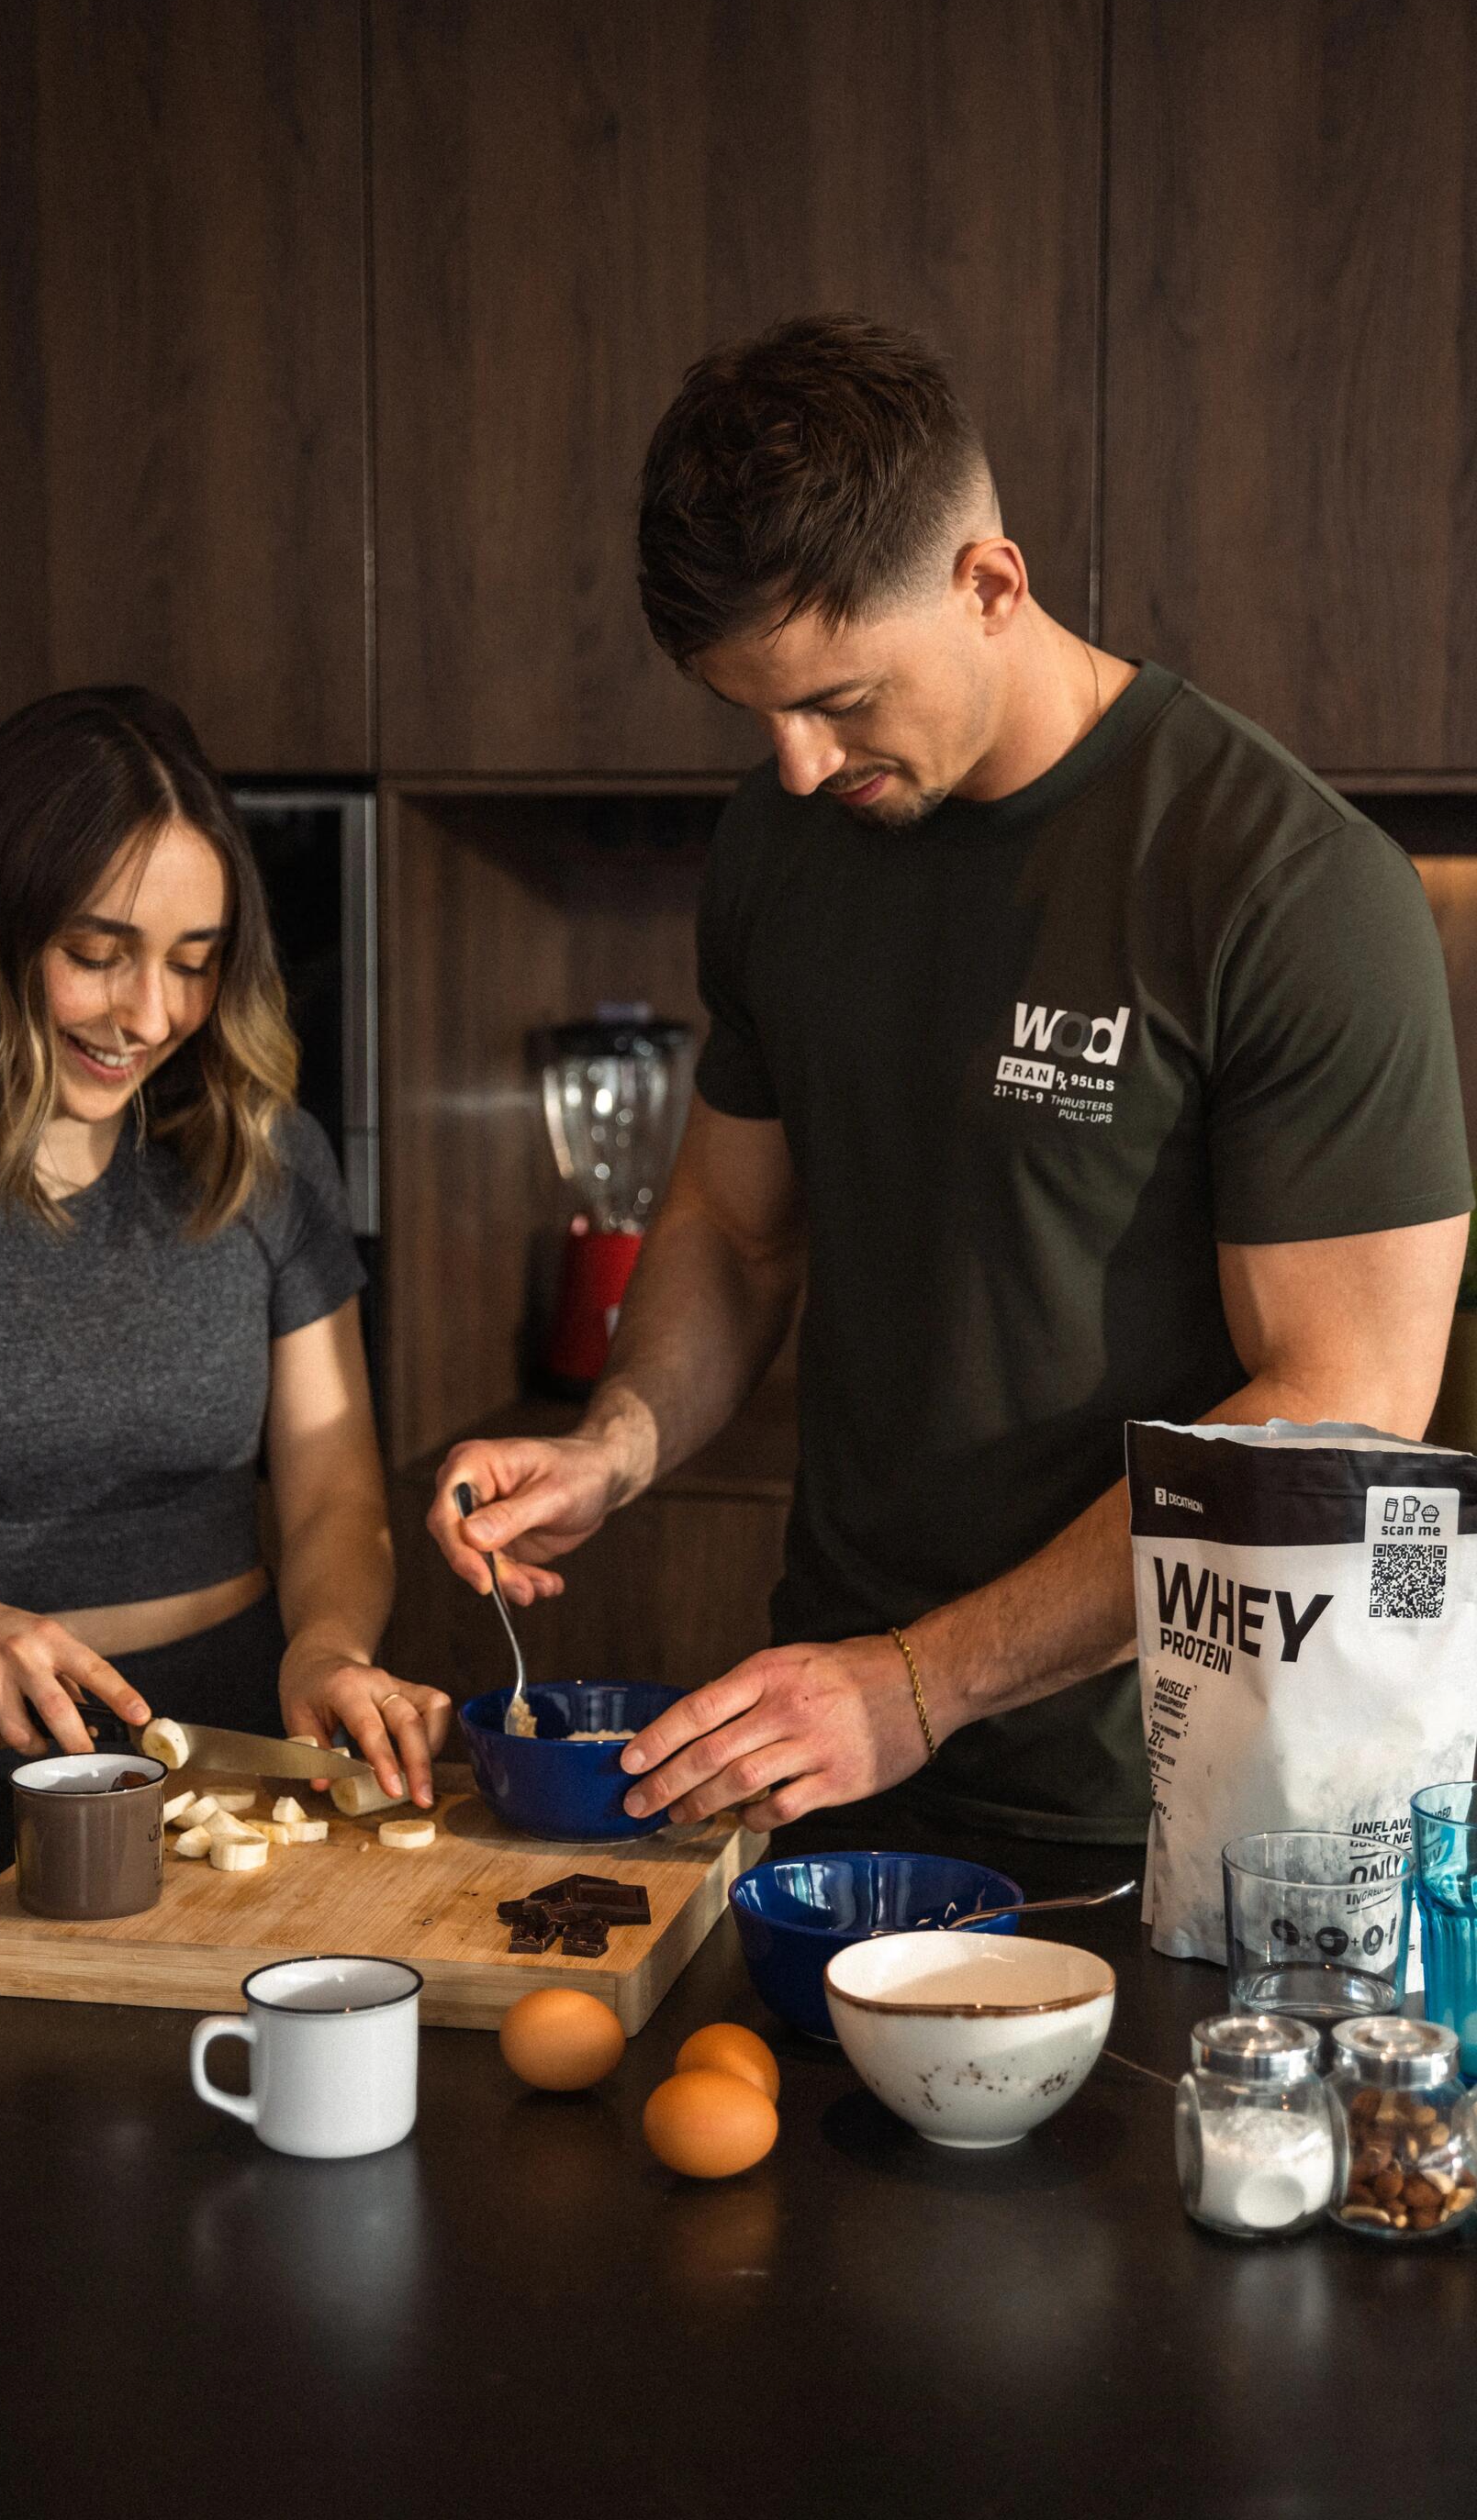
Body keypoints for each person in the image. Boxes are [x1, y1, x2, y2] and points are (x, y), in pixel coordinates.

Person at [429, 314, 1471, 1854]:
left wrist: (922, 1682)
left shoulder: (1283, 882)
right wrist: (620, 1442)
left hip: (1175, 1804)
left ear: (991, 582)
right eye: (754, 712)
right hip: (834, 1748)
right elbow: (731, 1225)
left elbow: (1339, 1405)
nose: (793, 764)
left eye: (838, 700)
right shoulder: (784, 843)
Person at [0, 686, 448, 1801]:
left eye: (194, 960)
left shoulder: (264, 1157)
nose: (150, 1014)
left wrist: (329, 1648)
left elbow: (331, 1499)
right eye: (99, 952)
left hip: (256, 1779)